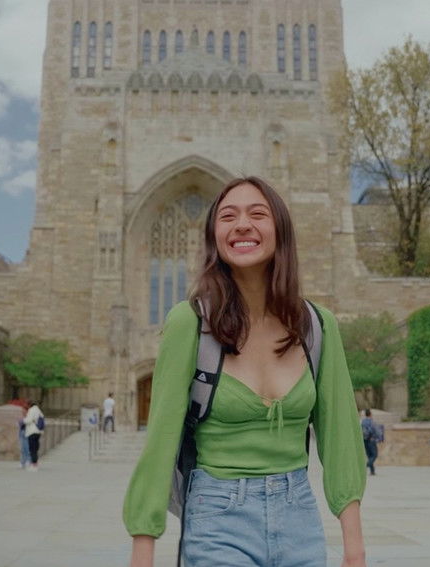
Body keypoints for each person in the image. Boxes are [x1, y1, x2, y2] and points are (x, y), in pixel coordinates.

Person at [124, 176, 368, 567]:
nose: (241, 225)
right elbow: (161, 439)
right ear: (214, 236)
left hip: (299, 517)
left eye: (258, 214)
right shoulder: (189, 323)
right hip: (217, 516)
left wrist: (354, 546)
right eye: (227, 216)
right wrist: (143, 544)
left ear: (280, 231)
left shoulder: (318, 326)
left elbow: (341, 437)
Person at [23, 400, 45, 471]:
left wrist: (22, 421)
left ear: (29, 405)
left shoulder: (31, 410)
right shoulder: (39, 410)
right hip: (38, 432)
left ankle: (34, 465)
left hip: (32, 431)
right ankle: (35, 463)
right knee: (35, 448)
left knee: (32, 449)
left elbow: (29, 420)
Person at [360, 408, 382, 476]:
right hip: (371, 440)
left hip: (364, 440)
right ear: (370, 414)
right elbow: (377, 431)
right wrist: (379, 438)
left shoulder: (362, 422)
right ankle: (365, 466)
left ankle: (372, 471)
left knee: (369, 455)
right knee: (374, 455)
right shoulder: (371, 422)